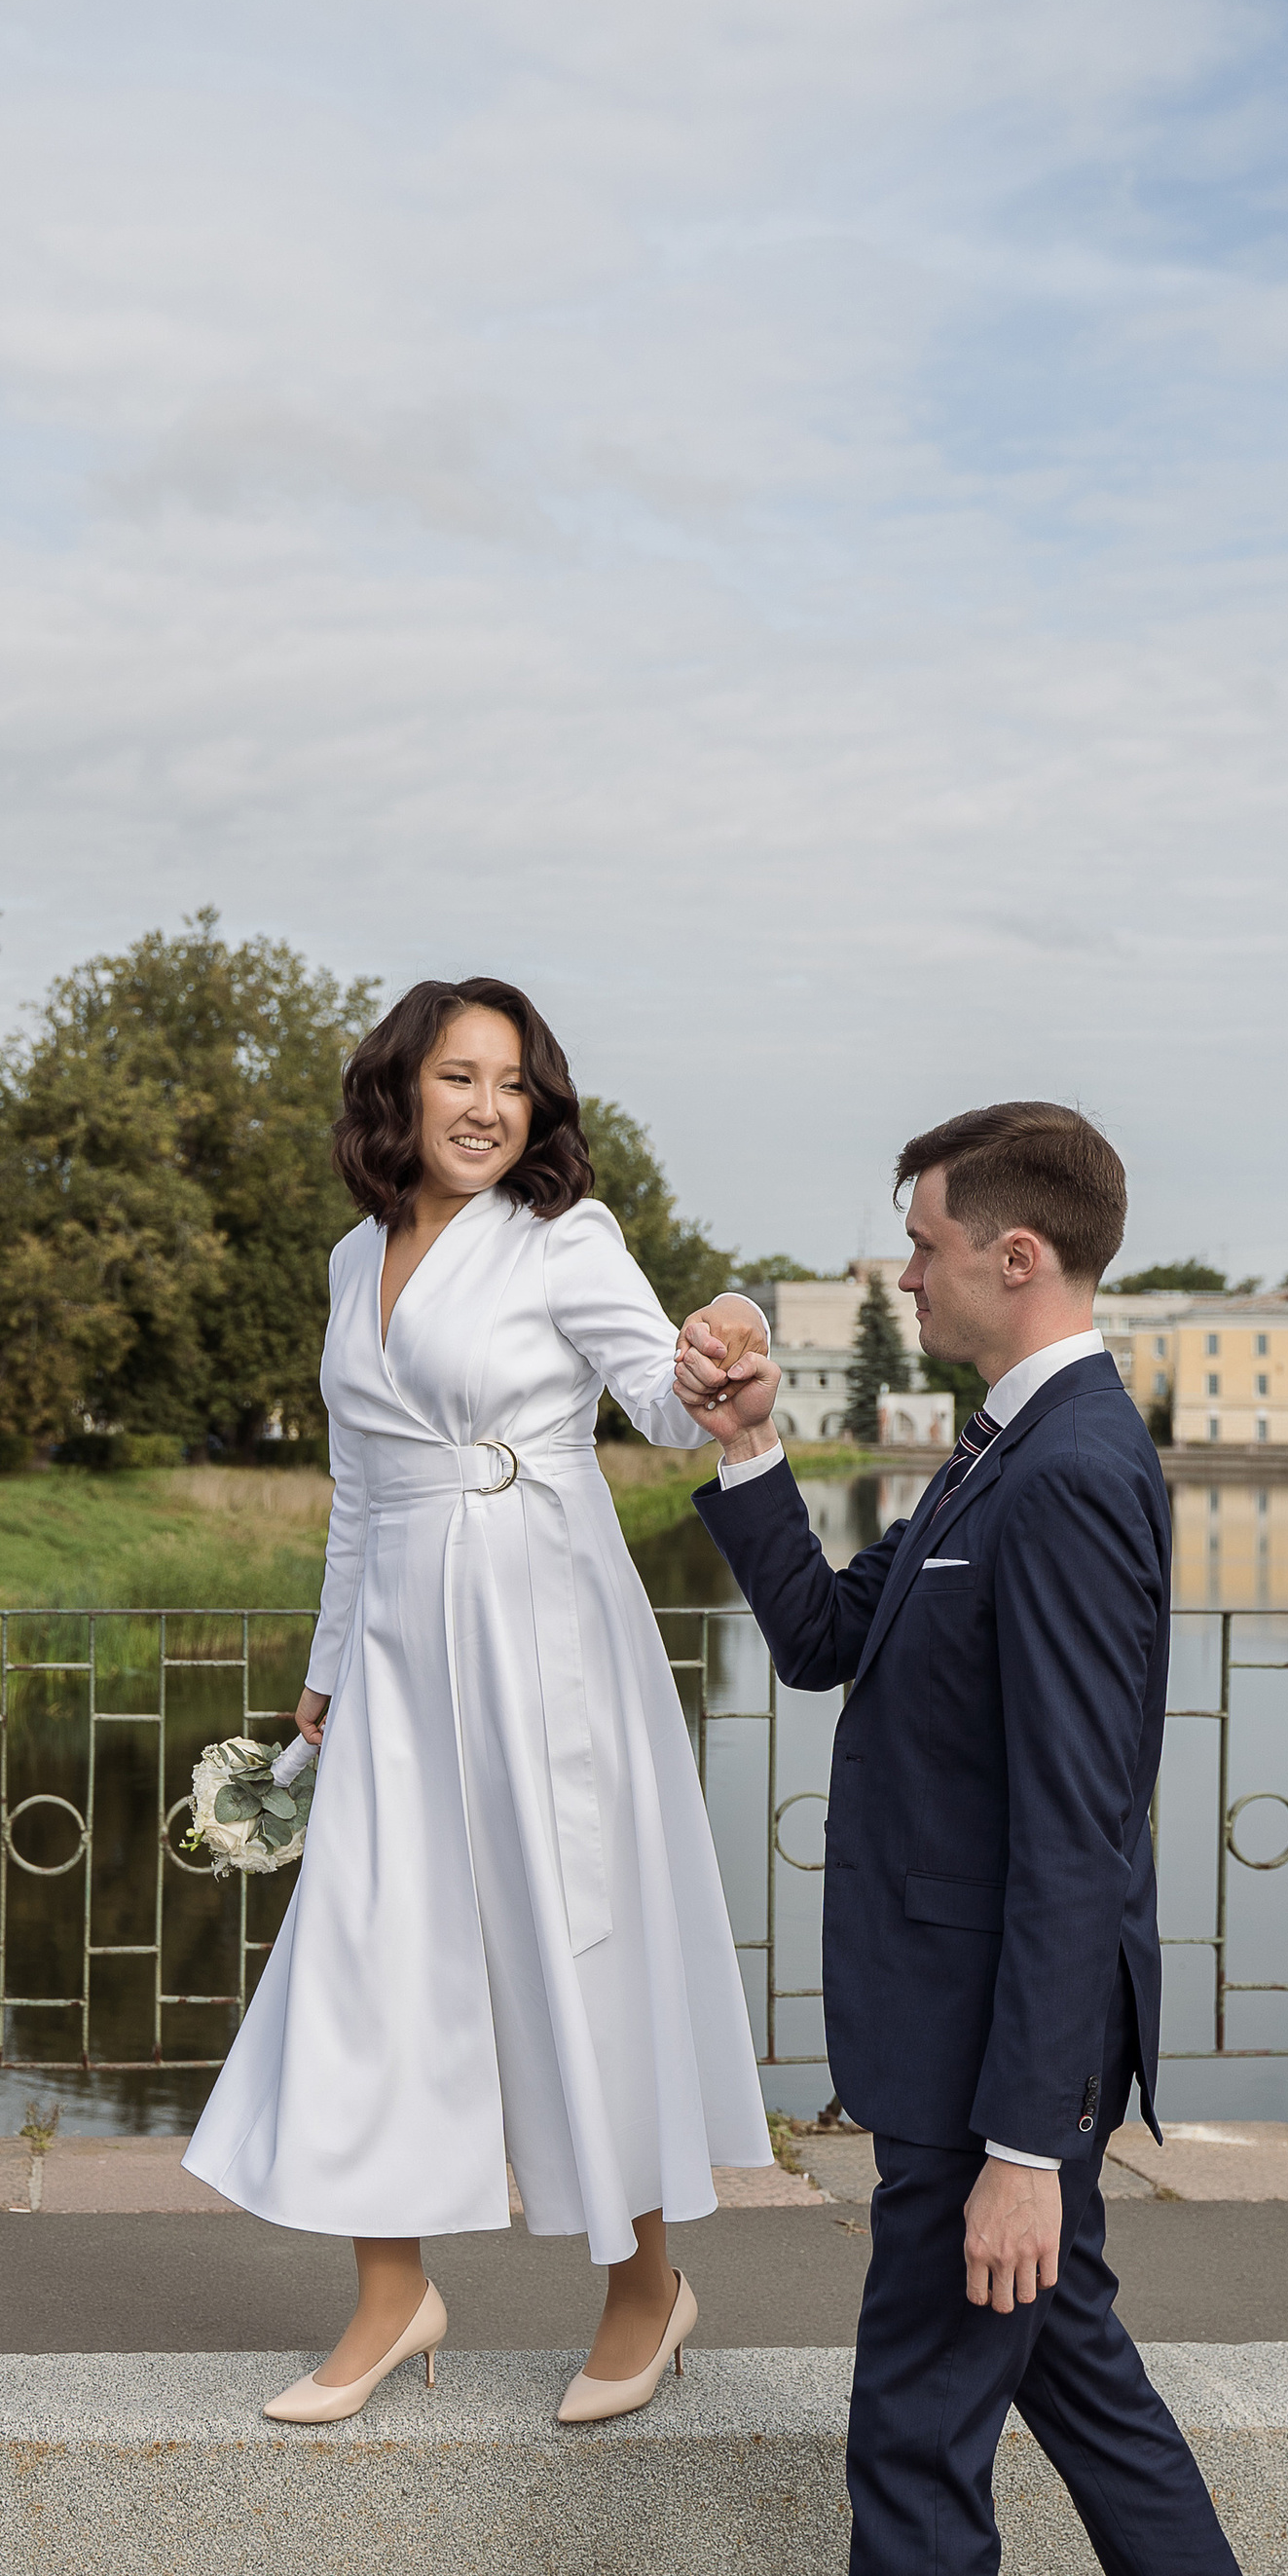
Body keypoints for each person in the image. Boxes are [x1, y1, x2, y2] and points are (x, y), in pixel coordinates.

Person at [636, 1101, 1288, 2576]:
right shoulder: (996, 1458)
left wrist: (1028, 2140)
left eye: (919, 1243)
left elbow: (1077, 1839)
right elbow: (822, 1642)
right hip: (960, 2057)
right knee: (1081, 2387)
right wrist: (747, 1450)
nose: (902, 1271)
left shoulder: (1078, 1472)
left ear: (1011, 1256)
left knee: (915, 2459)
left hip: (981, 2089)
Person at [182, 977, 778, 2424]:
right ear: (400, 1089)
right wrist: (323, 1676)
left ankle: (646, 2286)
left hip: (542, 1633)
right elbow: (361, 1492)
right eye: (459, 1076)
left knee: (570, 1948)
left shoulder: (564, 1239)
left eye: (513, 1084)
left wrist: (734, 1344)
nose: (487, 1107)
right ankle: (395, 2293)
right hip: (392, 1651)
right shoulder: (351, 1261)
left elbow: (661, 1387)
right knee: (370, 1950)